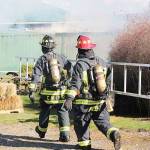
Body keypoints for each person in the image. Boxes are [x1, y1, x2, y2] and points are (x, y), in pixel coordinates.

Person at [63, 35, 121, 150]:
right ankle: (114, 134)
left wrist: (69, 98)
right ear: (91, 48)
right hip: (100, 102)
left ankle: (85, 146)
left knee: (81, 124)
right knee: (103, 123)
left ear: (79, 50)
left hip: (83, 104)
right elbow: (108, 80)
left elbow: (75, 85)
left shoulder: (80, 65)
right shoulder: (102, 62)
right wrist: (105, 94)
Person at [29, 35, 72, 142]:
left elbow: (36, 76)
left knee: (45, 111)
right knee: (63, 112)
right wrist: (67, 80)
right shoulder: (61, 57)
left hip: (47, 94)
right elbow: (71, 67)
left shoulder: (42, 59)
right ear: (53, 47)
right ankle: (65, 135)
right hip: (61, 92)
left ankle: (42, 131)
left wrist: (31, 91)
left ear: (43, 47)